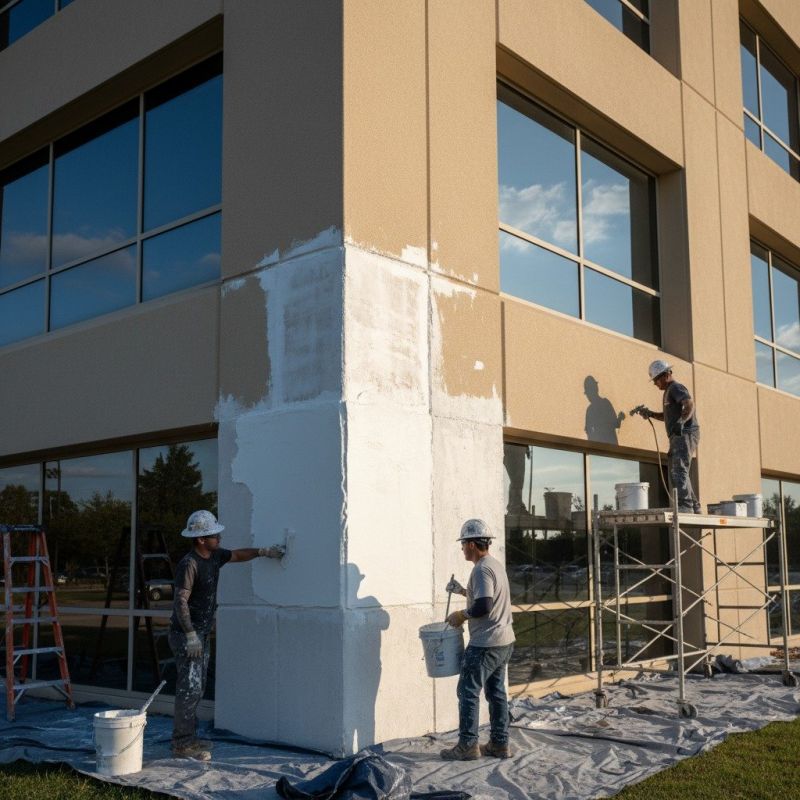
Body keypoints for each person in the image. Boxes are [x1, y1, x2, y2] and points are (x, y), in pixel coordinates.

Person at [169, 509, 284, 761]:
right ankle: (181, 744)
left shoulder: (214, 556)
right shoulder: (190, 564)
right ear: (200, 539)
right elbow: (180, 601)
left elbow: (238, 555)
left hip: (200, 633)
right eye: (213, 534)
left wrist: (263, 552)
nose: (219, 538)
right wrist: (190, 635)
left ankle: (188, 737)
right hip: (186, 635)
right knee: (189, 688)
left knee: (197, 688)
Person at [440, 519, 515, 761]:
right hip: (504, 640)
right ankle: (499, 744)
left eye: (463, 543)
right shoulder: (494, 565)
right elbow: (485, 595)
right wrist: (463, 591)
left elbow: (484, 605)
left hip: (486, 642)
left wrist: (461, 615)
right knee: (496, 692)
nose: (462, 548)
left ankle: (468, 746)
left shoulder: (481, 569)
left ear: (472, 544)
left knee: (467, 691)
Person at [636, 360, 701, 513]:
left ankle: (685, 507)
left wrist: (682, 421)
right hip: (678, 435)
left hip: (685, 433)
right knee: (679, 470)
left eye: (656, 380)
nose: (655, 384)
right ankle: (694, 506)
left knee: (678, 471)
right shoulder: (668, 392)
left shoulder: (675, 388)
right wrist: (651, 414)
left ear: (665, 375)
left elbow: (689, 404)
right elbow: (668, 416)